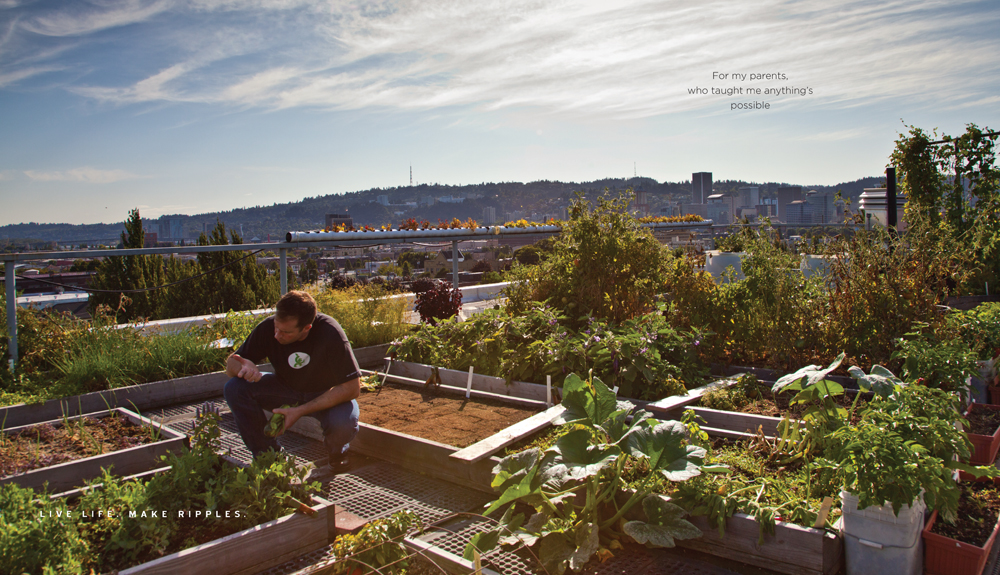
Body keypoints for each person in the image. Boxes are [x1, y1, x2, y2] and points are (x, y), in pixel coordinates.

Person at [223, 290, 360, 473]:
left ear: (306, 328)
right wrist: (242, 366)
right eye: (276, 328)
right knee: (235, 388)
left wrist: (300, 411)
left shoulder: (330, 332)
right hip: (285, 389)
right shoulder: (269, 328)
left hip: (324, 394)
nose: (277, 335)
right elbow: (232, 363)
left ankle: (338, 452)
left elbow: (351, 388)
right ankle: (269, 455)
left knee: (343, 422)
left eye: (286, 332)